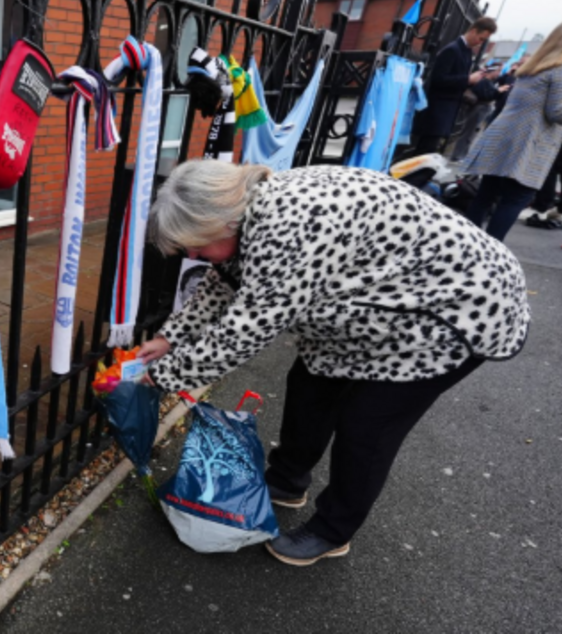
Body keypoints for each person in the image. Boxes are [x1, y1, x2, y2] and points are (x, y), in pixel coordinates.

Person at [137, 160, 530, 567]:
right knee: (311, 384)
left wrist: (163, 376)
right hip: (378, 303)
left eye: (196, 245)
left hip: (453, 313)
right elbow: (225, 282)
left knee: (368, 426)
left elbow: (245, 331)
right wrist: (171, 338)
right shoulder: (246, 211)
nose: (194, 255)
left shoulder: (288, 226)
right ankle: (287, 481)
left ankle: (333, 530)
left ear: (222, 221)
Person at [463, 23, 562, 241]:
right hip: (528, 145)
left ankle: (466, 244)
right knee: (516, 198)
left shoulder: (534, 67)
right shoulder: (559, 71)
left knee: (486, 195)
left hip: (502, 137)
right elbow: (556, 112)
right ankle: (490, 256)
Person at [413, 17, 500, 156]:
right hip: (438, 111)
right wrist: (468, 79)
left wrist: (473, 77)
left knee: (429, 153)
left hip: (447, 111)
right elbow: (438, 79)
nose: (480, 43)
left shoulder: (465, 50)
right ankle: (414, 178)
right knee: (424, 152)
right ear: (473, 31)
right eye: (481, 38)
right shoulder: (453, 49)